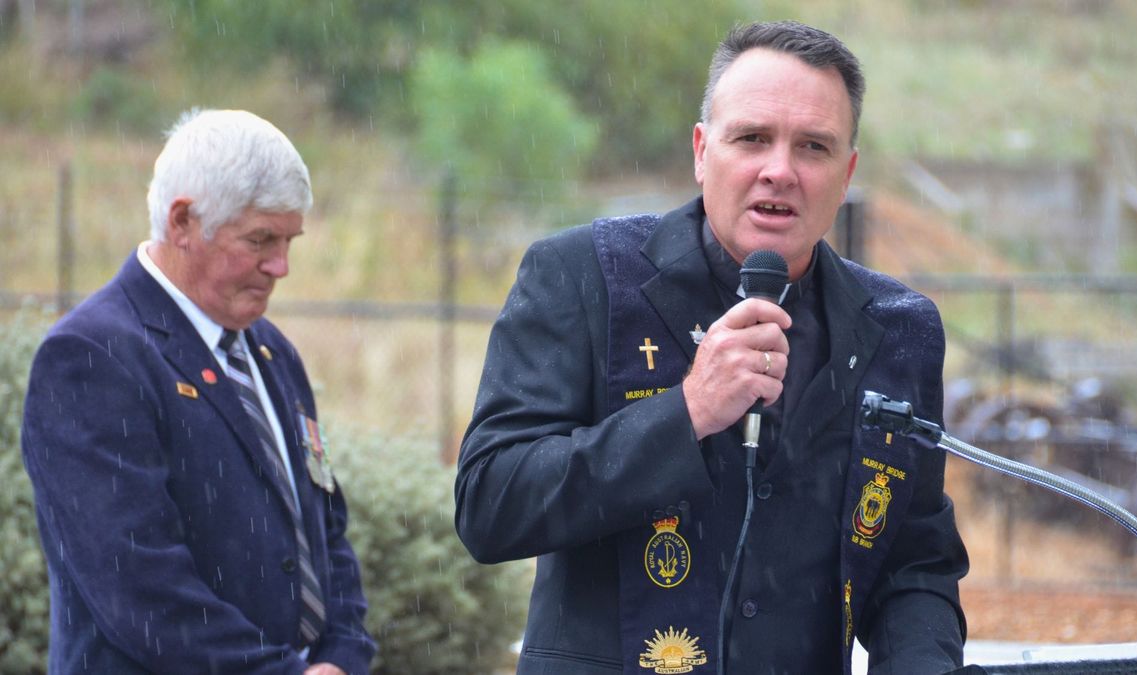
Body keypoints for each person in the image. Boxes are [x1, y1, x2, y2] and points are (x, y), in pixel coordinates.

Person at [456, 21, 968, 674]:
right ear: (702, 152)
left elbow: (915, 564)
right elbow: (491, 503)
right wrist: (687, 411)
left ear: (847, 174)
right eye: (752, 138)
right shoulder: (582, 276)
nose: (779, 170)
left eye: (813, 146)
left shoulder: (900, 329)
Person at [21, 109, 376, 674]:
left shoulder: (271, 351)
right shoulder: (92, 357)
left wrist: (343, 655)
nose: (281, 266)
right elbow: (138, 586)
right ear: (183, 221)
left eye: (290, 241)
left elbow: (324, 530)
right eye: (260, 239)